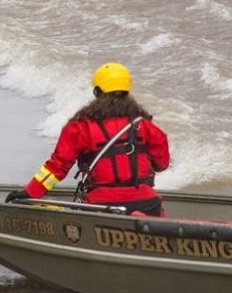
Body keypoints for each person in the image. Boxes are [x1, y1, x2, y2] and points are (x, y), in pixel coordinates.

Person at [11, 63, 172, 216]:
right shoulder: (145, 126)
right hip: (147, 204)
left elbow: (57, 167)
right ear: (127, 92)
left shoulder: (80, 126)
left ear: (97, 92)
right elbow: (162, 164)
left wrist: (30, 192)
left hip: (101, 207)